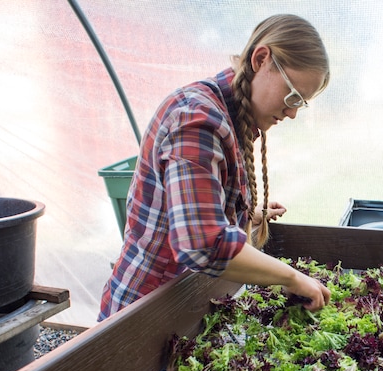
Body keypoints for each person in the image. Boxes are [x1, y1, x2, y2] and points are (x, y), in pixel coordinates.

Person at [99, 14, 331, 321]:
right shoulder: (197, 119)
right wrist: (291, 277)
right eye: (292, 96)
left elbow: (191, 210)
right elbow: (202, 244)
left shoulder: (230, 116)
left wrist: (250, 215)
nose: (291, 113)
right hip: (142, 315)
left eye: (301, 103)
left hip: (184, 306)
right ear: (261, 59)